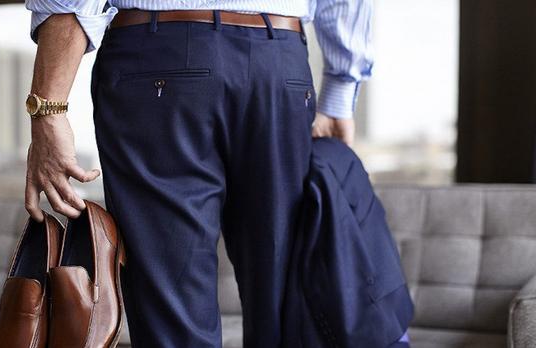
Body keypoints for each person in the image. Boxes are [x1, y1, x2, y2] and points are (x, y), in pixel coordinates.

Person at [22, 0, 409, 346]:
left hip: (157, 60)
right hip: (279, 63)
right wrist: (341, 90)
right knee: (284, 305)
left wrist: (48, 109)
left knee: (173, 310)